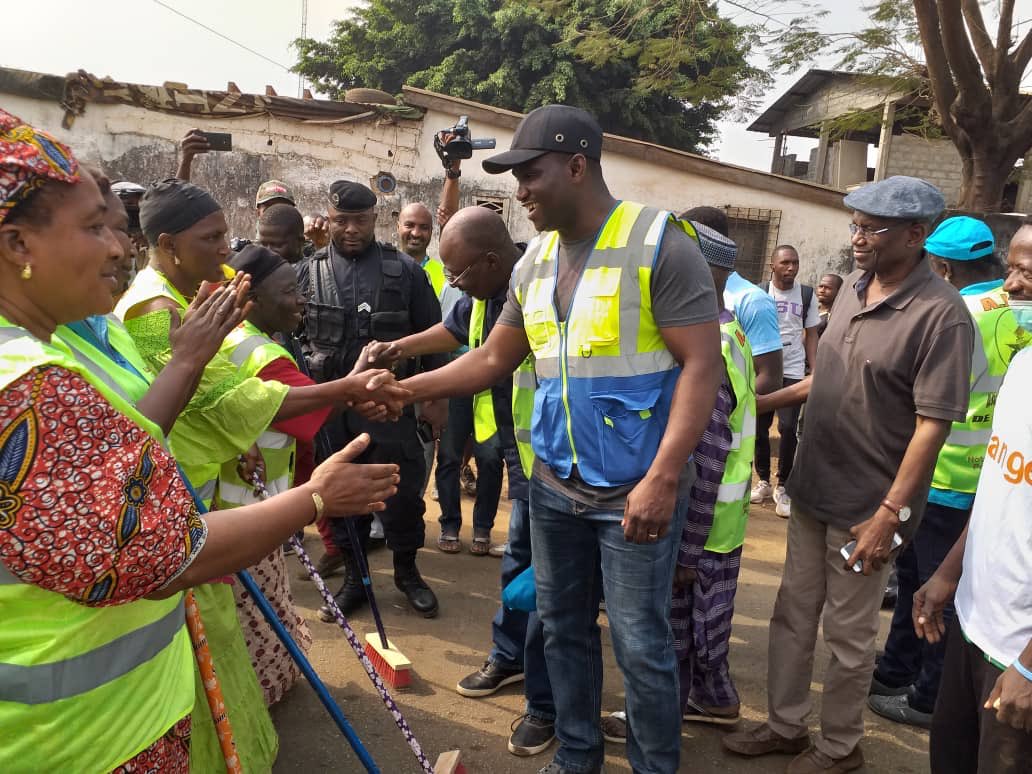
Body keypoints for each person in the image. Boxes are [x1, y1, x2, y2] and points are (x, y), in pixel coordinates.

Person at [0, 108, 400, 773]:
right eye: (95, 227)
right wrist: (315, 499)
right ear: (17, 246)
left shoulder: (53, 344)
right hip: (85, 735)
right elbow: (162, 557)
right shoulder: (31, 385)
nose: (115, 248)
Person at [397, 104, 722, 774]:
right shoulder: (533, 261)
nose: (520, 192)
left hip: (635, 487)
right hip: (553, 488)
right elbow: (492, 358)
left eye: (530, 176)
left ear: (577, 167)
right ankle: (577, 756)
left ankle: (654, 766)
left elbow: (701, 364)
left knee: (640, 643)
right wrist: (407, 388)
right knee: (564, 629)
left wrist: (664, 476)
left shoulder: (660, 242)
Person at [115, 177, 406, 771]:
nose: (227, 247)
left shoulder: (196, 292)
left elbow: (219, 403)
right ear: (166, 244)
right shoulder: (155, 310)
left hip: (207, 484)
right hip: (182, 500)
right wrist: (349, 388)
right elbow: (225, 400)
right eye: (212, 237)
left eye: (227, 233)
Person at [723, 176, 975, 774]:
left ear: (916, 236)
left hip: (870, 508)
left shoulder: (942, 318)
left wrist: (889, 514)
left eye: (872, 229)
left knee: (848, 633)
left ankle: (839, 747)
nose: (858, 239)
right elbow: (829, 378)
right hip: (813, 490)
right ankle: (786, 726)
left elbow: (931, 427)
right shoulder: (855, 291)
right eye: (855, 227)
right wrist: (749, 406)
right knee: (791, 613)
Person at [364, 205, 555, 755]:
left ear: (492, 260)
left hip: (553, 461)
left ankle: (545, 704)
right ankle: (511, 658)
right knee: (519, 566)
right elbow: (453, 330)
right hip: (522, 457)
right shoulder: (483, 288)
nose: (451, 284)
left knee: (546, 587)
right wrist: (401, 348)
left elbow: (490, 361)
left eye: (458, 274)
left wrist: (405, 390)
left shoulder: (534, 287)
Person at [868, 216, 1026, 730]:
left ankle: (924, 694)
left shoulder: (956, 311)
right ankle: (896, 673)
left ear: (940, 265)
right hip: (998, 480)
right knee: (936, 584)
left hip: (942, 473)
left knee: (931, 588)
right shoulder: (1021, 309)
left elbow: (923, 400)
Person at [298, 180, 448, 619]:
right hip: (331, 411)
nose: (349, 229)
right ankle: (357, 580)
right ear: (329, 217)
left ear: (374, 220)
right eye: (341, 220)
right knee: (342, 500)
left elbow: (433, 335)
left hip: (391, 409)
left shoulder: (404, 271)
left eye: (359, 221)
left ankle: (407, 573)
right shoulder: (309, 271)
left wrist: (435, 399)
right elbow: (294, 338)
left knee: (401, 499)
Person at [912, 223, 1032, 773]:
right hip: (974, 623)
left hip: (1019, 655)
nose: (1011, 285)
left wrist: (1028, 667)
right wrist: (947, 574)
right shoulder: (1023, 368)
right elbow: (998, 490)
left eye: (1028, 272)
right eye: (1011, 268)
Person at [216, 244, 342, 706]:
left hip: (238, 503)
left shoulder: (232, 337)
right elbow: (311, 411)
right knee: (258, 611)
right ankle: (257, 699)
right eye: (290, 291)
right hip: (248, 508)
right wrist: (360, 383)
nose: (301, 300)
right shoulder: (260, 352)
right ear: (250, 299)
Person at [756, 245, 820, 518]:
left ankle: (783, 485)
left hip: (793, 369)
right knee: (759, 427)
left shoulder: (806, 294)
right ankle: (762, 480)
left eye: (794, 263)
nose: (791, 268)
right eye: (785, 263)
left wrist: (814, 370)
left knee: (788, 426)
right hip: (764, 368)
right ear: (773, 265)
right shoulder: (759, 292)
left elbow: (812, 333)